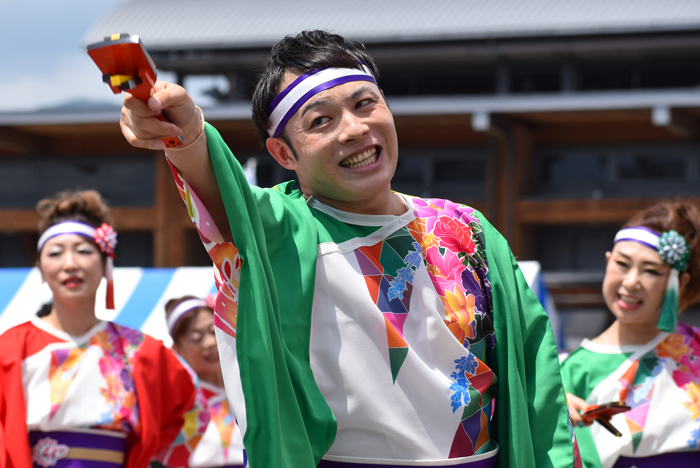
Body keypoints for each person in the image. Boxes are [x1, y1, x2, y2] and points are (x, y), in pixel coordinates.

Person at [120, 30, 580, 468]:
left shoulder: (469, 231)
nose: (354, 130)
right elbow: (227, 197)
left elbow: (537, 381)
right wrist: (184, 134)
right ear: (283, 154)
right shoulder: (284, 232)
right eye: (321, 120)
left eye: (365, 104)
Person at [0, 190, 208, 468]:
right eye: (55, 253)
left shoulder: (142, 351)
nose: (70, 264)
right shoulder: (11, 347)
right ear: (39, 268)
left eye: (84, 251)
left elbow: (193, 409)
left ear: (106, 262)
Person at [560, 201, 700, 467]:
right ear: (607, 261)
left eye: (651, 271)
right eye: (622, 264)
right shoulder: (569, 371)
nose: (631, 281)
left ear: (679, 284)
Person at [165, 295, 245, 467]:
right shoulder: (180, 405)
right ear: (177, 350)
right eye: (196, 337)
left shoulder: (249, 389)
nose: (209, 343)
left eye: (213, 331)